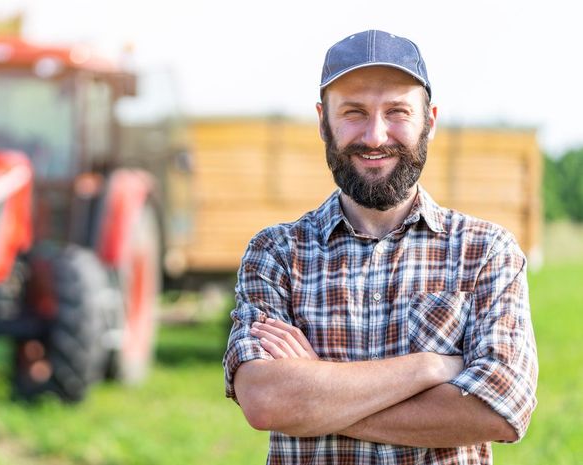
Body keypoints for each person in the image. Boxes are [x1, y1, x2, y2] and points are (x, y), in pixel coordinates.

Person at [222, 30, 538, 464]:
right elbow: (265, 401)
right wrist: (430, 367)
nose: (374, 136)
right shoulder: (276, 253)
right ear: (322, 120)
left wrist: (314, 395)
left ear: (430, 120)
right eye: (353, 112)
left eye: (397, 112)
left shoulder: (485, 252)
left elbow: (500, 409)